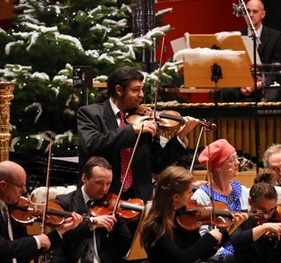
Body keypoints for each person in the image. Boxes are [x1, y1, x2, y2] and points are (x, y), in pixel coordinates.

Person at [77, 66, 198, 203]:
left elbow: (157, 164)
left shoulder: (144, 118)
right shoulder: (90, 113)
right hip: (102, 197)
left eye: (141, 89)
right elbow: (92, 144)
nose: (141, 95)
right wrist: (132, 130)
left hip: (138, 199)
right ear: (119, 90)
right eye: (136, 90)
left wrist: (180, 137)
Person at [139, 165, 247, 263]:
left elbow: (202, 255)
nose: (192, 196)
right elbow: (182, 260)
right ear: (175, 198)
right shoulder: (155, 227)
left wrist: (228, 230)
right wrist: (209, 238)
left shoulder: (185, 220)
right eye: (189, 192)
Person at [45, 156, 133, 263]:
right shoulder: (65, 202)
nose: (104, 189)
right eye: (99, 183)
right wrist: (92, 222)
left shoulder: (113, 205)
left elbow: (125, 245)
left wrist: (118, 219)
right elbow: (64, 236)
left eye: (108, 183)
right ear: (84, 178)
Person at [192, 139, 250, 263]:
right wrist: (232, 258)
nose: (237, 162)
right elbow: (201, 241)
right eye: (232, 160)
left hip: (243, 261)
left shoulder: (243, 191)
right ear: (217, 167)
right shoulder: (201, 197)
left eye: (237, 157)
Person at [223, 0, 281, 102]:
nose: (251, 15)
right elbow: (233, 66)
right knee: (225, 92)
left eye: (255, 11)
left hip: (263, 84)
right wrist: (242, 85)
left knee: (271, 95)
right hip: (242, 84)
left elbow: (275, 69)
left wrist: (258, 85)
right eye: (247, 11)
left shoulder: (275, 37)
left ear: (263, 14)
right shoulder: (237, 36)